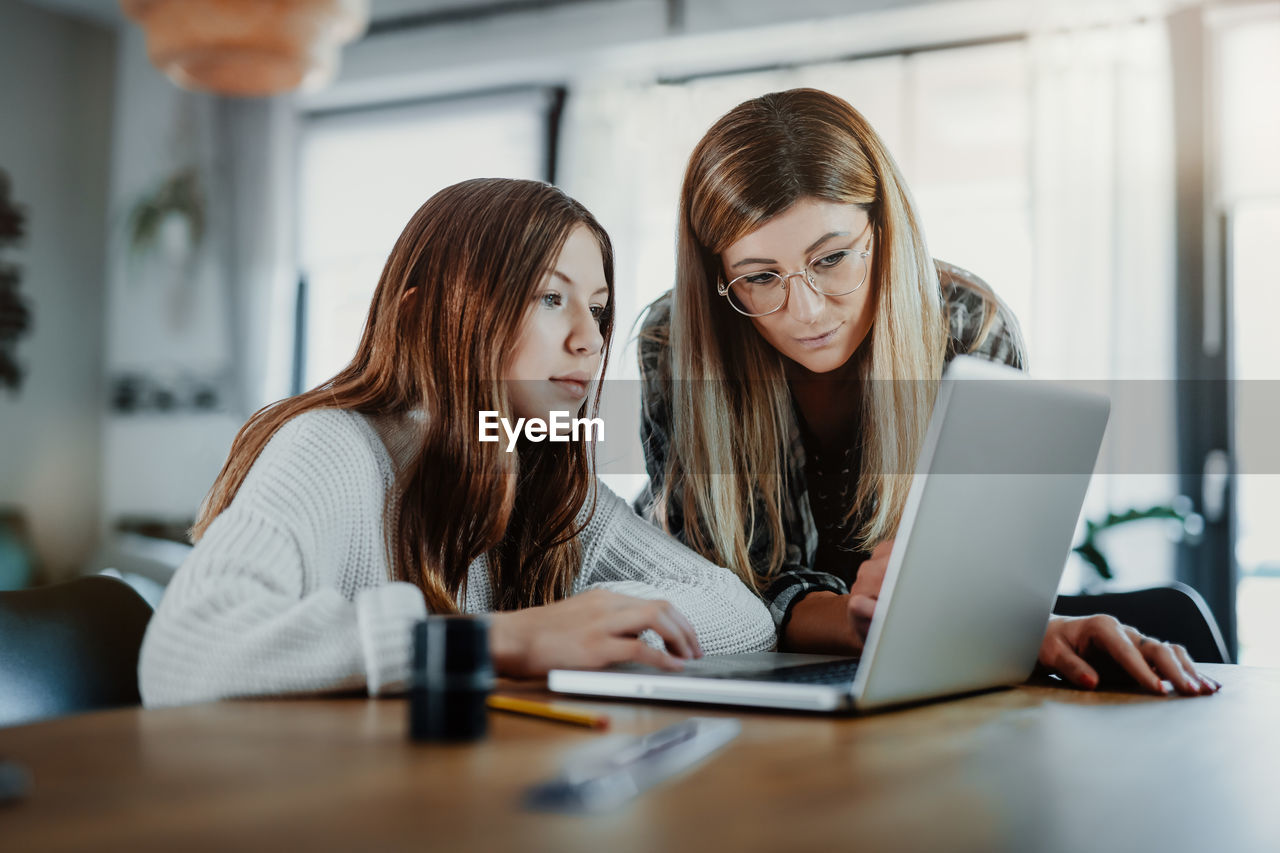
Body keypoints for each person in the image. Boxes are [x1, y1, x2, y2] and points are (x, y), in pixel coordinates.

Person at [637, 88, 1218, 696]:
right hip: (756, 696)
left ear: (884, 230)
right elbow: (725, 593)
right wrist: (884, 624)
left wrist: (980, 621)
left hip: (934, 685)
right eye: (759, 277)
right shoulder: (674, 344)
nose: (806, 310)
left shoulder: (968, 327)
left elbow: (989, 573)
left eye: (832, 258)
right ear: (718, 278)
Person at [139, 178, 774, 708]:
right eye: (551, 298)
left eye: (600, 308)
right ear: (425, 315)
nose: (591, 339)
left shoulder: (543, 481)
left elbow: (744, 616)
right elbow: (185, 654)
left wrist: (597, 621)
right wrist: (497, 640)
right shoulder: (331, 447)